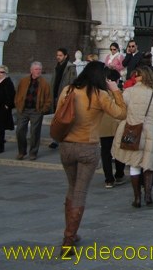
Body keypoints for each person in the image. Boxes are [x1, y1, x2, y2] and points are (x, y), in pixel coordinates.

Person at [56, 61, 126, 248]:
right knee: (79, 192)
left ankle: (70, 231)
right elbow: (121, 113)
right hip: (88, 146)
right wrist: (116, 91)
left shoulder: (68, 90)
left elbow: (58, 114)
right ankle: (69, 238)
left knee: (71, 189)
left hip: (67, 145)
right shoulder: (99, 94)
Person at [112, 65, 153, 208]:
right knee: (148, 165)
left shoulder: (128, 92)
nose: (134, 78)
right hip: (151, 132)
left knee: (134, 164)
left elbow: (121, 112)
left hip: (134, 131)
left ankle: (137, 197)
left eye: (136, 75)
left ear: (140, 77)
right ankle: (148, 195)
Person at [14, 61, 52, 160]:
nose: (38, 71)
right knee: (19, 131)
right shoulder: (23, 81)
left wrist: (43, 109)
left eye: (39, 69)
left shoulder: (44, 83)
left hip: (36, 110)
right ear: (31, 70)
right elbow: (17, 93)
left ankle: (33, 153)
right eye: (36, 69)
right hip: (23, 109)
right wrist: (18, 104)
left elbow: (49, 98)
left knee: (35, 132)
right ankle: (21, 152)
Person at [98, 69, 126, 189]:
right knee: (119, 152)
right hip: (118, 126)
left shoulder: (100, 93)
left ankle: (109, 179)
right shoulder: (120, 93)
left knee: (106, 153)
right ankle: (119, 175)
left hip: (104, 127)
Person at [0, 64, 16, 153]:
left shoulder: (8, 82)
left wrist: (7, 105)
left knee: (0, 129)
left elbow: (12, 95)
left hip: (2, 109)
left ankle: (0, 147)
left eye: (2, 72)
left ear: (6, 73)